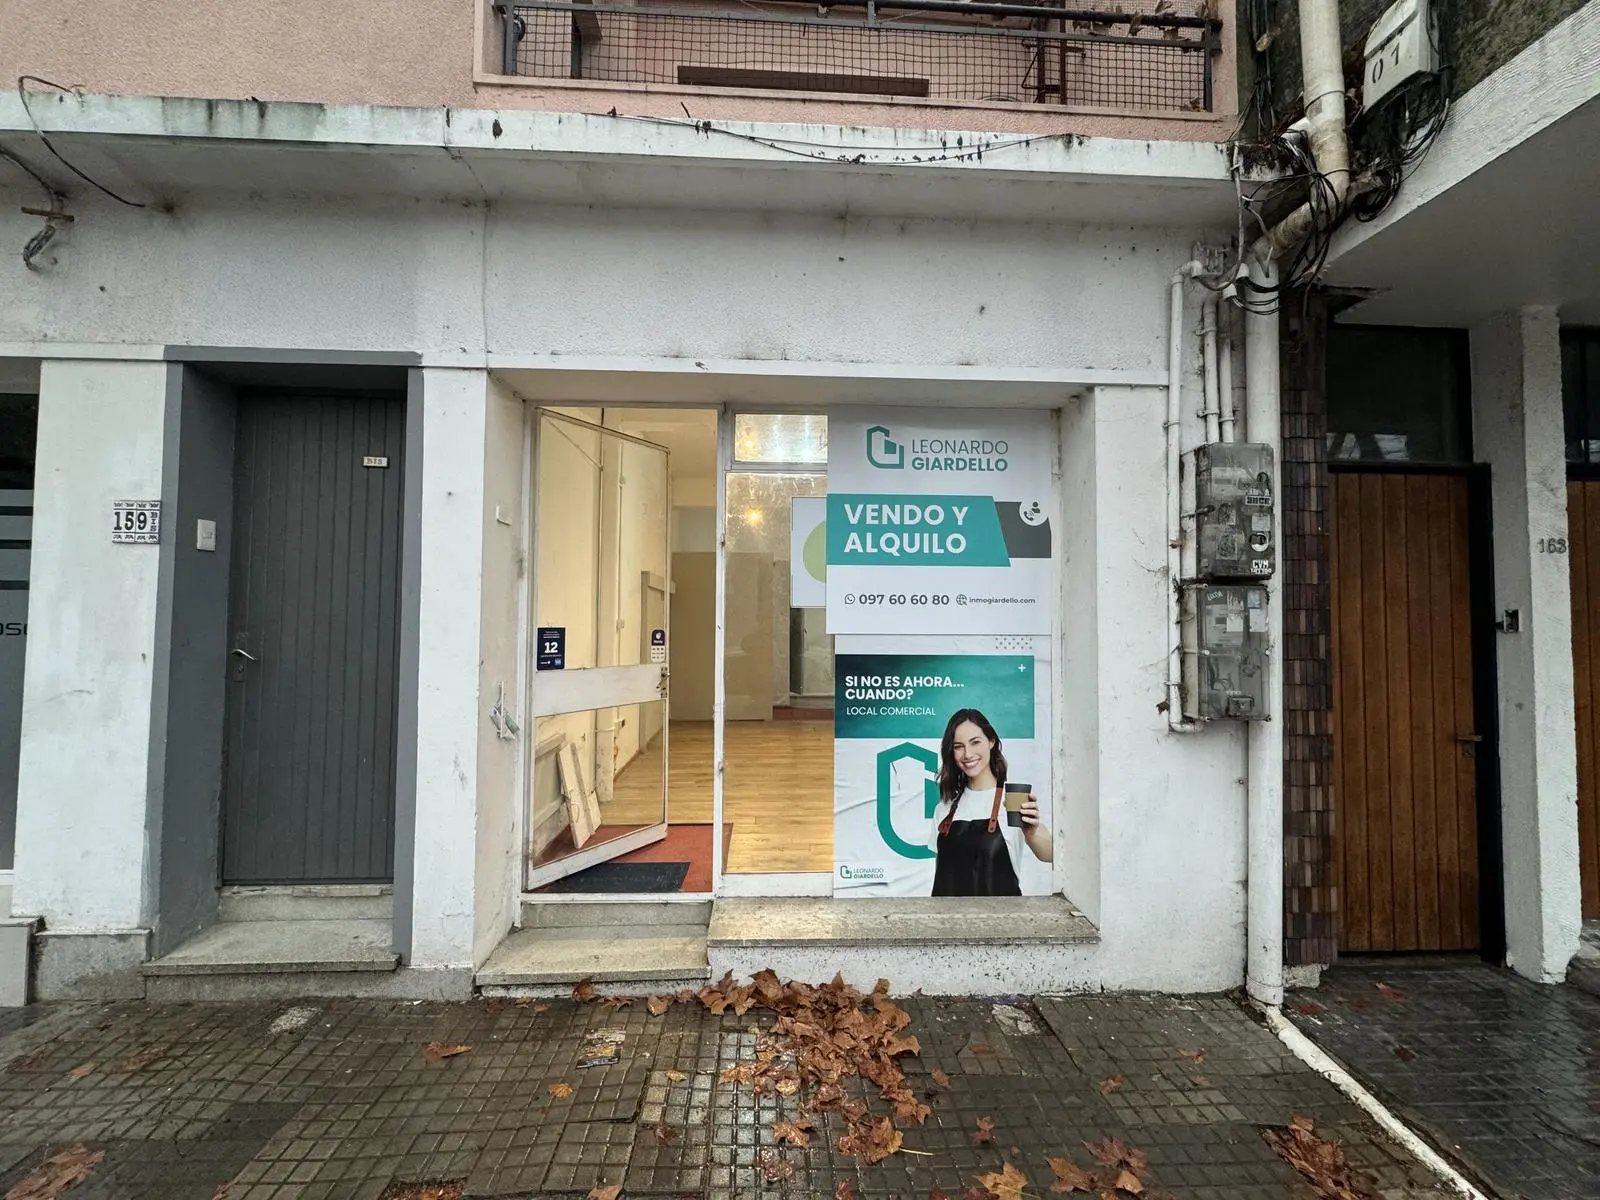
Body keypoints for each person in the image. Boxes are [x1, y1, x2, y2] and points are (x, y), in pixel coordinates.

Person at [929, 708, 1052, 896]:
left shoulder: (1014, 800)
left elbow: (1050, 854)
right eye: (958, 746)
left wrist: (1032, 834)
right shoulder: (943, 809)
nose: (967, 754)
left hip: (1003, 915)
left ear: (991, 742)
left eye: (975, 742)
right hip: (947, 915)